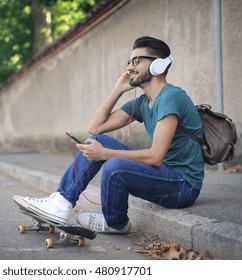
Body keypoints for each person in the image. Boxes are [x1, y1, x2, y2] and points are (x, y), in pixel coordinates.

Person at [13, 36, 204, 234]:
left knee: (114, 165)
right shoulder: (141, 103)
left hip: (182, 186)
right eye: (129, 61)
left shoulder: (170, 97)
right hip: (164, 173)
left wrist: (105, 154)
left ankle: (115, 223)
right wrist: (118, 90)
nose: (130, 67)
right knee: (98, 140)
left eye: (137, 60)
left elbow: (155, 156)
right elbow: (95, 127)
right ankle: (61, 202)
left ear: (158, 65)